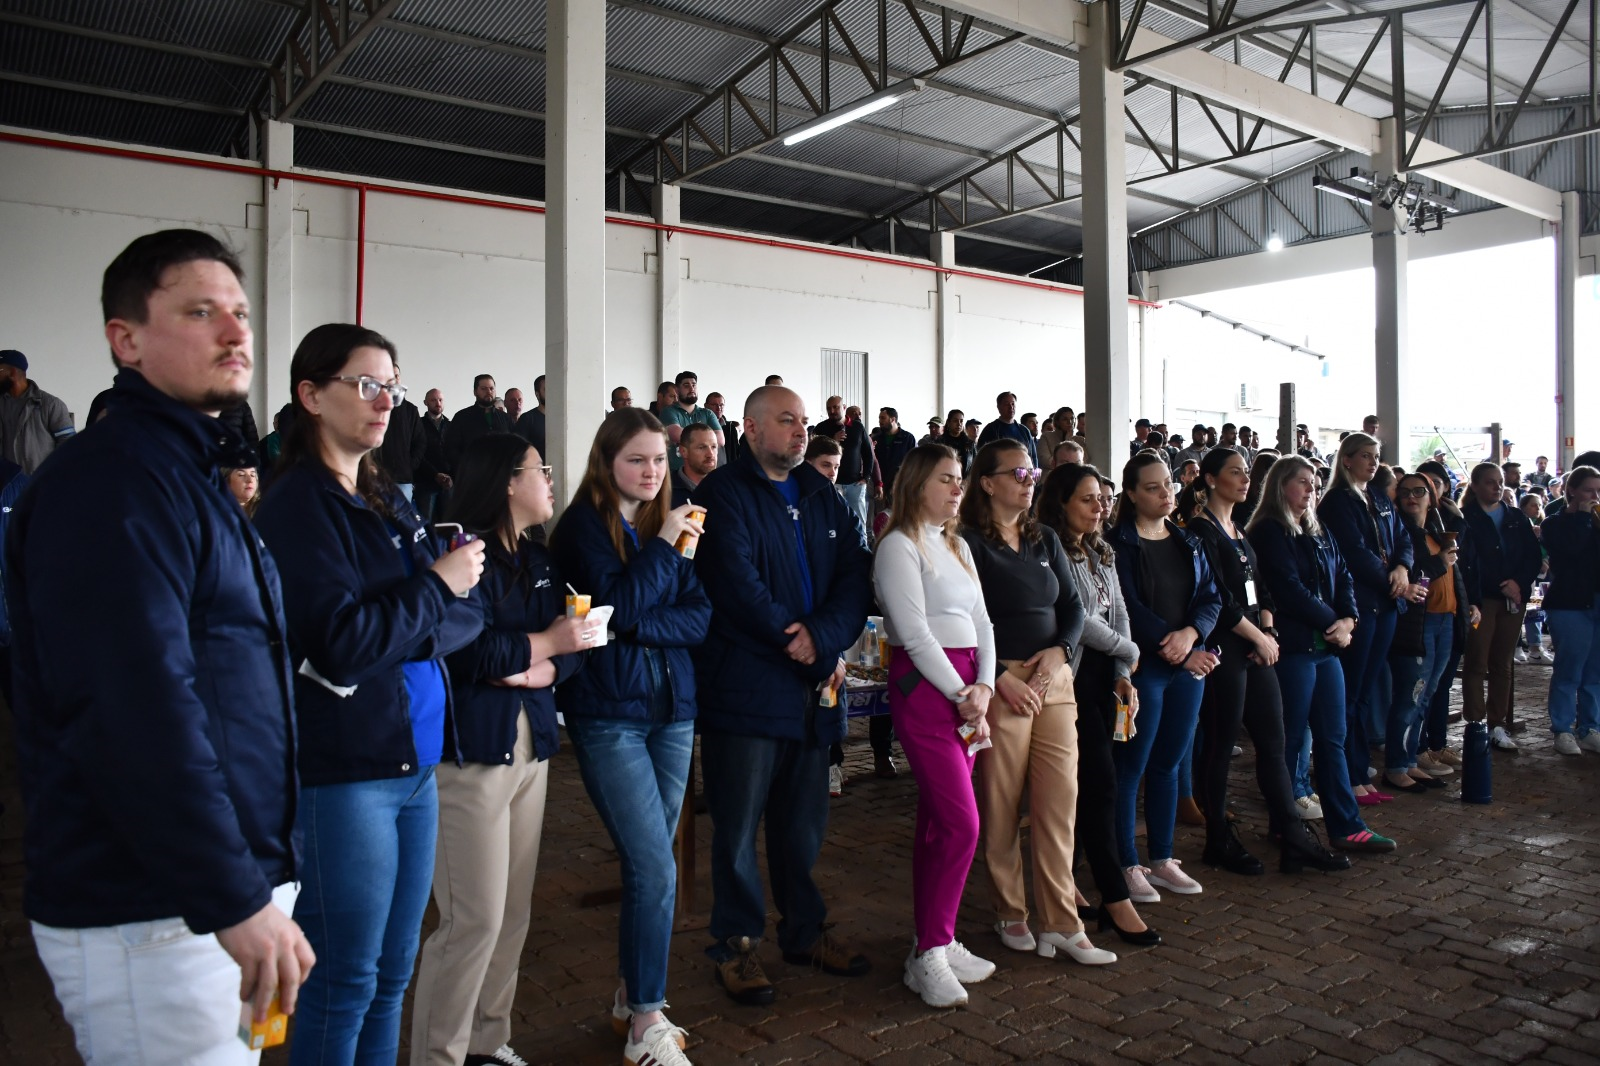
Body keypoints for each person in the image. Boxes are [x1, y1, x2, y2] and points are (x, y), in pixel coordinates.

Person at [8, 229, 312, 1064]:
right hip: (154, 908)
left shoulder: (184, 475)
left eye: (241, 313)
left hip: (204, 894)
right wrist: (229, 893)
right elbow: (132, 708)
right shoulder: (112, 484)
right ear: (126, 339)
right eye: (200, 311)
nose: (235, 331)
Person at [253, 323, 486, 1064]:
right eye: (365, 383)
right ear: (311, 396)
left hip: (412, 760)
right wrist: (432, 590)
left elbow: (459, 623)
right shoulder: (299, 506)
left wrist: (412, 615)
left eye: (393, 385)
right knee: (343, 978)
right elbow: (343, 642)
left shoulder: (385, 496)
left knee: (392, 975)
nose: (384, 400)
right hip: (347, 769)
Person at [410, 433, 595, 1066]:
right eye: (539, 469)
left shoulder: (539, 559)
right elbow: (469, 652)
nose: (549, 479)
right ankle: (440, 1055)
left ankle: (488, 1042)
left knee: (513, 912)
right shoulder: (463, 553)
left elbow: (574, 644)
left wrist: (541, 660)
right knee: (472, 919)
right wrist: (544, 645)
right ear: (506, 482)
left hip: (534, 740)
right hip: (473, 751)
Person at [691, 386, 873, 1007]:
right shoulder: (720, 495)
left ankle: (802, 931)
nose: (801, 431)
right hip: (746, 684)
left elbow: (855, 575)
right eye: (786, 421)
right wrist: (789, 638)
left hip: (812, 685)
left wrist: (821, 637)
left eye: (802, 421)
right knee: (738, 825)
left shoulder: (824, 495)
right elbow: (731, 581)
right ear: (750, 428)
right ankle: (736, 944)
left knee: (802, 823)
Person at [547, 409, 711, 1066]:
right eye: (637, 460)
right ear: (606, 461)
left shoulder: (662, 526)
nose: (652, 472)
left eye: (659, 461)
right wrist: (665, 550)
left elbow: (696, 615)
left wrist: (635, 620)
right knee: (653, 865)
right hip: (609, 711)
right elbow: (618, 606)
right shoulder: (583, 528)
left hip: (673, 708)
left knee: (655, 869)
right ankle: (646, 1021)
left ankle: (628, 998)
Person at [959, 442, 1117, 968]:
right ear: (986, 481)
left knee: (1058, 803)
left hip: (1054, 678)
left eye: (1033, 471)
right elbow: (961, 621)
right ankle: (1010, 910)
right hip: (1001, 681)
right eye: (1018, 472)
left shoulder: (1043, 535)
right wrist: (999, 674)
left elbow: (1073, 606)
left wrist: (1062, 651)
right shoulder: (968, 543)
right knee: (1002, 803)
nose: (1030, 480)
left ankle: (1061, 923)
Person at [1182, 449, 1349, 876]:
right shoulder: (1200, 531)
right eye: (1234, 473)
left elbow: (1263, 590)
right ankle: (1217, 836)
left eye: (1245, 472)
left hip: (1258, 646)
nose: (1244, 479)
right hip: (1226, 648)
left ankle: (1293, 838)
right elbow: (1216, 597)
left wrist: (1269, 633)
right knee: (1219, 745)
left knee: (1274, 745)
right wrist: (1257, 636)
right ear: (1211, 479)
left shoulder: (1237, 530)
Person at [873, 443, 999, 1007]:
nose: (957, 489)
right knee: (962, 823)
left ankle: (935, 941)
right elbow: (915, 632)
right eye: (946, 479)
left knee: (938, 824)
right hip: (928, 690)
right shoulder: (898, 546)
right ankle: (929, 952)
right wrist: (961, 692)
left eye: (960, 479)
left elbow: (983, 622)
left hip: (969, 687)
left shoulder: (958, 544)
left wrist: (986, 686)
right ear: (918, 482)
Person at [1036, 464, 1161, 947]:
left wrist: (1124, 671)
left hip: (1106, 677)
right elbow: (1078, 618)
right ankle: (1113, 895)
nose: (1099, 507)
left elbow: (1120, 611)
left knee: (1092, 786)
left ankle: (1068, 878)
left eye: (1102, 499)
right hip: (1072, 678)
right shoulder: (1052, 545)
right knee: (1100, 787)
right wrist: (1126, 652)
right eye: (1088, 499)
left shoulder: (1100, 548)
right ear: (1062, 502)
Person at [1246, 457, 1396, 853]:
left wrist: (1349, 619)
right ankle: (1285, 824)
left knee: (1333, 738)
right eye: (1302, 483)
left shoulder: (1318, 527)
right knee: (1290, 740)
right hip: (1295, 649)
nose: (1311, 490)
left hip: (1327, 649)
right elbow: (1287, 589)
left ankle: (1346, 825)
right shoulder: (1268, 531)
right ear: (1280, 487)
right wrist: (1336, 622)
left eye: (1314, 483)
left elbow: (1344, 575)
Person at [1107, 452, 1222, 902]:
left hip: (1188, 666)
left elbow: (1212, 596)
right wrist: (1174, 647)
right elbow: (1128, 606)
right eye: (1152, 487)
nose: (1165, 493)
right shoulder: (1118, 545)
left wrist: (1193, 637)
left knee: (1170, 764)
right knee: (1131, 767)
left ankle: (1161, 857)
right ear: (1132, 494)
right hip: (1142, 670)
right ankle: (1126, 862)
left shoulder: (1188, 541)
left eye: (1168, 485)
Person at [1317, 433, 1418, 802]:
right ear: (1346, 460)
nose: (1373, 462)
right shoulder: (1337, 502)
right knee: (1351, 693)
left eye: (1376, 456)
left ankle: (1358, 771)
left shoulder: (1377, 497)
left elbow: (1403, 538)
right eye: (1365, 456)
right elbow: (1353, 554)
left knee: (1364, 692)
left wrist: (1403, 569)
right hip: (1361, 604)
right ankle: (1347, 775)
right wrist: (1393, 579)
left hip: (1387, 603)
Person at [1385, 472, 1473, 793]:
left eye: (1419, 491)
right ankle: (1396, 765)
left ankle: (1411, 760)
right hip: (1417, 624)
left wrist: (1465, 608)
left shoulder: (1436, 530)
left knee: (1427, 696)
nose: (1412, 496)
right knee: (1410, 696)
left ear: (1432, 496)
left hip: (1445, 620)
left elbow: (1455, 578)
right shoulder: (1399, 534)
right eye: (1405, 491)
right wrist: (1440, 561)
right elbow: (1413, 575)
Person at [1458, 461, 1541, 751]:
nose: (1498, 487)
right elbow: (1469, 563)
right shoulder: (1466, 517)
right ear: (1477, 486)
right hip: (1482, 599)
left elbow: (1532, 556)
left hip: (1513, 598)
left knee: (1503, 664)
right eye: (1491, 482)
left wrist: (1518, 583)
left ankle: (1497, 723)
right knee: (1477, 661)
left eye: (1500, 481)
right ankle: (1476, 721)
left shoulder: (1516, 517)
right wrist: (1499, 584)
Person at [1541, 465, 1600, 755]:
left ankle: (1590, 727)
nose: (1595, 496)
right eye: (1590, 490)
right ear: (1572, 490)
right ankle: (1562, 729)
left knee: (1595, 671)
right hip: (1569, 604)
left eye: (1599, 491)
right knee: (1569, 669)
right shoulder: (1555, 524)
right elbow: (1572, 550)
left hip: (1596, 601)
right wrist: (1583, 517)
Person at [0, 349, 75, 474]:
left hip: (41, 483)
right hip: (8, 486)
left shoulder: (50, 404)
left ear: (13, 373)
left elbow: (68, 443)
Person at [812, 395, 875, 533]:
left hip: (855, 485)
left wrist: (866, 477)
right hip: (830, 485)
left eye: (836, 407)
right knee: (832, 524)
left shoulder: (858, 427)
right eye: (829, 408)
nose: (832, 411)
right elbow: (812, 454)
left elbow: (868, 454)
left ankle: (861, 552)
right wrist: (832, 440)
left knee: (859, 524)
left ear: (844, 408)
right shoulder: (821, 428)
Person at [375, 361, 426, 502]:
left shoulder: (411, 410)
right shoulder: (373, 407)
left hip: (403, 479)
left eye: (396, 376)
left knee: (402, 521)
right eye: (389, 377)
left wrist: (410, 465)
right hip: (377, 477)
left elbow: (420, 442)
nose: (394, 380)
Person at [659, 371, 723, 475]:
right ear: (677, 389)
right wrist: (707, 440)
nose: (691, 388)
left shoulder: (707, 413)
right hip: (676, 477)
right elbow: (677, 436)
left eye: (694, 385)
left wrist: (694, 441)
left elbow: (720, 440)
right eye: (686, 385)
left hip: (706, 475)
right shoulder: (668, 411)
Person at [446, 375, 512, 472]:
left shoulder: (505, 418)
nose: (489, 392)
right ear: (475, 392)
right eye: (483, 389)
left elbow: (514, 446)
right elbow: (451, 449)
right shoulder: (462, 417)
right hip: (471, 477)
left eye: (491, 388)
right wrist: (467, 467)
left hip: (501, 476)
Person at [416, 387, 452, 522]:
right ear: (425, 402)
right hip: (425, 482)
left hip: (448, 482)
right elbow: (417, 454)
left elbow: (454, 453)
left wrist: (451, 476)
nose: (438, 403)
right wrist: (434, 474)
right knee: (426, 524)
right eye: (433, 400)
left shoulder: (451, 425)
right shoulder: (418, 424)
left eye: (440, 400)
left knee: (450, 524)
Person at [976, 392, 1038, 467]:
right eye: (1006, 404)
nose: (1011, 407)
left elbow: (1033, 456)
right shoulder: (991, 429)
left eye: (1013, 404)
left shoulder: (1024, 430)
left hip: (1024, 473)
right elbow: (982, 456)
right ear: (998, 407)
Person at [874, 407, 918, 503]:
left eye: (883, 418)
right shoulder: (877, 438)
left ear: (893, 419)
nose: (880, 421)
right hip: (881, 484)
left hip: (901, 484)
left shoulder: (908, 438)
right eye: (879, 418)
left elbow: (915, 462)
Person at [671, 421, 718, 506]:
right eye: (702, 447)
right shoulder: (665, 489)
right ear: (683, 451)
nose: (710, 454)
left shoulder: (727, 486)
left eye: (714, 447)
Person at [513, 375, 547, 458]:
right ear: (537, 394)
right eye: (546, 389)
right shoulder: (527, 419)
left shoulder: (561, 419)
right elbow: (519, 450)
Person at [705, 391, 738, 465]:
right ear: (706, 406)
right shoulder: (701, 427)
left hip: (727, 471)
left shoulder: (730, 427)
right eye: (714, 405)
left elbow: (735, 453)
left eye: (721, 405)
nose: (718, 408)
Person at [938, 410, 974, 476]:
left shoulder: (970, 443)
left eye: (961, 421)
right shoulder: (940, 442)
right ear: (948, 422)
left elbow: (975, 465)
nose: (959, 424)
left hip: (965, 482)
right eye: (955, 421)